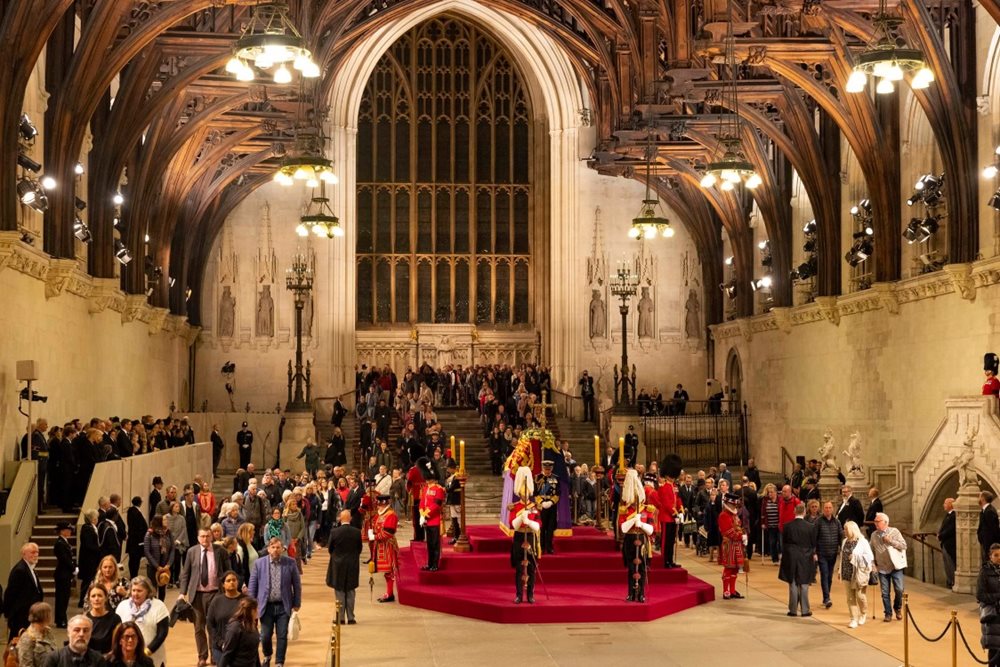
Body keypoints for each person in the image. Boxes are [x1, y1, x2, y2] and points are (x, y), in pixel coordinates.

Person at [179, 528, 229, 667]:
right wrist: (182, 593)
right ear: (198, 538)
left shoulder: (221, 551)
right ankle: (202, 656)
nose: (205, 539)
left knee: (214, 627)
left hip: (216, 594)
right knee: (199, 627)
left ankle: (215, 655)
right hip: (197, 595)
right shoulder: (191, 552)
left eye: (208, 536)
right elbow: (185, 574)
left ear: (212, 537)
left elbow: (228, 572)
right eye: (202, 536)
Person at [249, 538, 301, 667]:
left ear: (282, 549)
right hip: (266, 606)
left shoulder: (290, 563)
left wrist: (297, 602)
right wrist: (251, 604)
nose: (276, 550)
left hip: (284, 605)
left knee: (282, 635)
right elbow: (253, 584)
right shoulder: (259, 564)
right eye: (273, 547)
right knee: (265, 635)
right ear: (268, 549)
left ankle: (279, 662)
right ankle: (267, 655)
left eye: (278, 548)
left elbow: (297, 584)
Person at [114, 577, 169, 667]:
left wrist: (146, 652)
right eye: (134, 590)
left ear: (148, 591)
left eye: (139, 591)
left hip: (153, 657)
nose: (136, 594)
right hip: (126, 658)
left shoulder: (159, 606)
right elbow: (117, 631)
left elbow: (162, 634)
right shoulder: (122, 606)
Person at [618, 469, 654, 602]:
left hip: (642, 539)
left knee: (642, 567)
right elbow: (623, 528)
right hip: (630, 538)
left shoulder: (647, 509)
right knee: (631, 567)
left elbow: (651, 529)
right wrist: (633, 520)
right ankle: (631, 593)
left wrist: (642, 524)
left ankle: (641, 593)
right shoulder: (625, 510)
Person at [779, 502, 818, 617]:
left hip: (790, 556)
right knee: (804, 583)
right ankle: (805, 610)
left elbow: (784, 543)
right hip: (805, 556)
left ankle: (793, 610)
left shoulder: (787, 526)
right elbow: (813, 543)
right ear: (805, 512)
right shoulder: (811, 527)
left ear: (794, 511)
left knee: (793, 582)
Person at [509, 466, 540, 604]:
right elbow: (512, 525)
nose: (525, 494)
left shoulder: (534, 506)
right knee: (519, 568)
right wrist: (522, 517)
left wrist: (529, 521)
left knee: (531, 568)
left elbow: (539, 524)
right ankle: (519, 594)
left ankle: (530, 594)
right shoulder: (515, 506)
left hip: (531, 536)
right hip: (519, 537)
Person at [869, 512, 907, 622]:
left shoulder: (894, 532)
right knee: (885, 592)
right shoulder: (873, 535)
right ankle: (888, 613)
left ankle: (897, 607)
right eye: (875, 521)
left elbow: (904, 545)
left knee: (899, 590)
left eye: (878, 521)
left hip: (895, 567)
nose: (875, 523)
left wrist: (890, 541)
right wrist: (872, 564)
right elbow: (870, 551)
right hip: (882, 567)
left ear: (886, 522)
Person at [327, 509, 362, 624]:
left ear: (340, 519)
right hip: (352, 564)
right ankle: (351, 618)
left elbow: (330, 549)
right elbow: (359, 549)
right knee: (351, 591)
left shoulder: (334, 532)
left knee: (339, 591)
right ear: (350, 519)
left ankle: (340, 618)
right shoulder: (357, 532)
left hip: (338, 565)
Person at [4, 542, 45, 639]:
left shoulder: (31, 569)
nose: (35, 555)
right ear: (24, 554)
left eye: (37, 552)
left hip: (29, 615)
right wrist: (10, 615)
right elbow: (11, 594)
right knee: (17, 644)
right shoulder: (20, 570)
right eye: (32, 552)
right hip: (21, 617)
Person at [839, 520, 874, 629]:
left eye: (846, 529)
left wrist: (855, 557)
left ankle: (863, 613)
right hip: (846, 572)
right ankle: (853, 618)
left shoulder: (862, 542)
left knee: (860, 596)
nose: (844, 531)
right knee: (850, 597)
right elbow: (842, 557)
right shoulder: (845, 541)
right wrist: (840, 570)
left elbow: (869, 557)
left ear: (852, 530)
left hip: (858, 573)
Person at [206, 571, 245, 665]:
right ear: (223, 585)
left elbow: (251, 623)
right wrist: (220, 642)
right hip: (220, 647)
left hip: (240, 647)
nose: (232, 582)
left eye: (234, 580)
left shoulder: (245, 600)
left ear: (237, 582)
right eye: (228, 580)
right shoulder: (216, 601)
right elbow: (210, 625)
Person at [41, 615, 106, 667]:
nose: (81, 634)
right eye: (77, 630)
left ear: (91, 634)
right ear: (68, 633)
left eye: (85, 631)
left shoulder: (98, 660)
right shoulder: (54, 658)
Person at [372, 494, 400, 604]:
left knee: (389, 571)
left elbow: (388, 532)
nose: (378, 507)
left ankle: (390, 593)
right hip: (381, 545)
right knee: (387, 571)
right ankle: (389, 593)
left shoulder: (391, 515)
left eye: (379, 505)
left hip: (388, 545)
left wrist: (375, 536)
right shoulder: (381, 514)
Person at [718, 492, 746, 600]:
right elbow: (729, 532)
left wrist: (743, 534)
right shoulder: (723, 515)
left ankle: (733, 590)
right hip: (729, 544)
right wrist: (741, 536)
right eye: (733, 505)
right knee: (728, 568)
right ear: (728, 504)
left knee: (735, 568)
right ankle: (726, 590)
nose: (735, 506)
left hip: (736, 544)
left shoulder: (734, 515)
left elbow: (738, 527)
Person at [418, 460, 445, 571]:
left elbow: (436, 505)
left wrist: (425, 514)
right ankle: (429, 564)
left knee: (435, 544)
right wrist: (421, 514)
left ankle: (435, 564)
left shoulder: (439, 489)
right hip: (426, 521)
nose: (427, 480)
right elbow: (422, 502)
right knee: (429, 544)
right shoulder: (425, 489)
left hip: (434, 520)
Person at [219, 597, 261, 667]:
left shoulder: (253, 625)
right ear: (252, 611)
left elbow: (254, 652)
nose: (258, 611)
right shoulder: (235, 628)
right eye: (257, 609)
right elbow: (227, 653)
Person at [657, 454, 683, 568]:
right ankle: (664, 560)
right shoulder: (663, 486)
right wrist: (675, 513)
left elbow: (677, 499)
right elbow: (666, 503)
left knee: (672, 540)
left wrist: (681, 509)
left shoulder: (673, 485)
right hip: (666, 518)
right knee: (666, 541)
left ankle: (670, 560)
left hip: (673, 518)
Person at [977, 542, 1000, 666]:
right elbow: (980, 595)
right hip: (993, 616)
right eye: (996, 555)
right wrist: (997, 598)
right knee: (994, 649)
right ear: (990, 556)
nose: (999, 558)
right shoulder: (985, 572)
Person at [816, 501, 842, 609]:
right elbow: (815, 537)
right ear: (823, 509)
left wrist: (843, 549)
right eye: (826, 507)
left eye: (830, 507)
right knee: (824, 574)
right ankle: (827, 598)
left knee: (830, 576)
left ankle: (826, 596)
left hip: (833, 553)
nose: (828, 509)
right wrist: (814, 552)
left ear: (833, 509)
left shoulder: (837, 522)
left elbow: (840, 536)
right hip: (822, 553)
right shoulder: (819, 522)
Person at [16, 602, 57, 667]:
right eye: (49, 614)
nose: (51, 616)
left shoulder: (48, 632)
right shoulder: (27, 638)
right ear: (45, 616)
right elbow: (26, 664)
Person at [84, 584, 121, 654]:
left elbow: (117, 645)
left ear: (106, 598)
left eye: (100, 596)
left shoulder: (115, 619)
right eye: (93, 596)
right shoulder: (84, 619)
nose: (96, 599)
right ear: (89, 599)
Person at [534, 460, 559, 555]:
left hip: (552, 506)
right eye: (546, 469)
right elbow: (535, 493)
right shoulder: (538, 477)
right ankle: (541, 547)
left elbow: (558, 492)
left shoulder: (556, 478)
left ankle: (549, 547)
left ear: (551, 469)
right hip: (542, 507)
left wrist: (551, 501)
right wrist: (541, 502)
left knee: (550, 527)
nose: (547, 471)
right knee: (542, 527)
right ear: (543, 468)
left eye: (549, 469)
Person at [53, 521, 76, 628]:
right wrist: (73, 568)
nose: (70, 531)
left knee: (64, 597)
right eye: (68, 530)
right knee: (62, 598)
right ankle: (60, 619)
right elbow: (64, 559)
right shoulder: (60, 543)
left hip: (65, 573)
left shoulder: (64, 542)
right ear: (62, 531)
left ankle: (61, 618)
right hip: (62, 574)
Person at [124, 497, 148, 579]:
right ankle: (134, 575)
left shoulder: (131, 511)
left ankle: (133, 574)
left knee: (133, 559)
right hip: (137, 540)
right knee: (135, 559)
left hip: (133, 540)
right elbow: (139, 526)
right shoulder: (136, 512)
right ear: (139, 503)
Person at [939, 497, 957, 589]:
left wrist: (940, 535)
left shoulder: (954, 515)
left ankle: (953, 582)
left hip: (950, 544)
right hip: (945, 543)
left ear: (951, 504)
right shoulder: (948, 515)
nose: (944, 505)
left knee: (951, 564)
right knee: (947, 564)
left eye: (945, 503)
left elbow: (951, 529)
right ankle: (950, 581)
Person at [980, 491, 1000, 564]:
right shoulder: (985, 510)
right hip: (986, 542)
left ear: (982, 498)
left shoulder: (989, 511)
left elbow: (994, 529)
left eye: (979, 497)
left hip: (989, 543)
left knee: (989, 563)